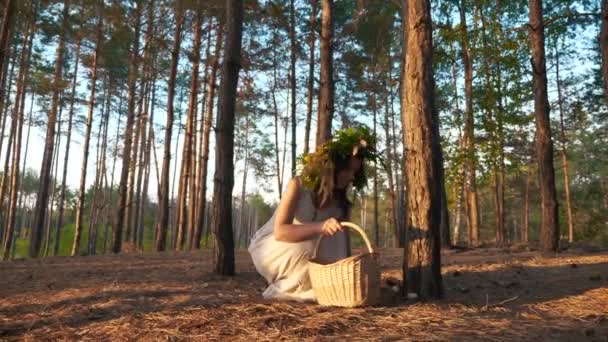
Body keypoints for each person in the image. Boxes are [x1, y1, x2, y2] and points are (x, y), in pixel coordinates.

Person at [248, 126, 378, 302]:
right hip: (272, 248)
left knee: (326, 245)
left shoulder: (341, 205)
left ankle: (313, 287)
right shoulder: (298, 185)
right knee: (309, 246)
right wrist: (320, 227)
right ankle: (283, 289)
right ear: (333, 167)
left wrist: (362, 259)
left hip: (308, 251)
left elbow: (342, 250)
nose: (352, 177)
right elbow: (281, 232)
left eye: (355, 172)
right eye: (348, 170)